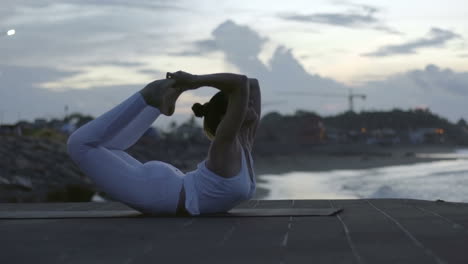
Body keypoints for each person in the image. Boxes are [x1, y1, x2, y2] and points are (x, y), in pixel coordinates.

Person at [66, 71, 261, 215]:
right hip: (159, 194)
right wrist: (194, 81)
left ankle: (154, 105)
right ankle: (146, 99)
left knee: (109, 148)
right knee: (79, 144)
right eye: (246, 104)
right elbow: (241, 83)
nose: (251, 104)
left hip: (167, 189)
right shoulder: (225, 143)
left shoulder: (244, 142)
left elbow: (252, 84)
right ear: (226, 117)